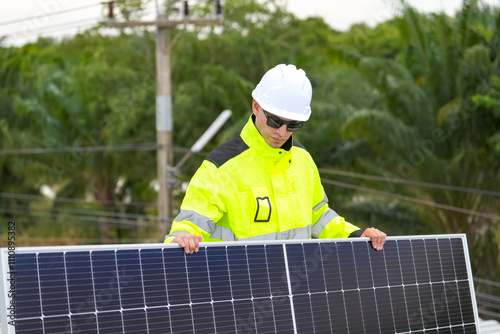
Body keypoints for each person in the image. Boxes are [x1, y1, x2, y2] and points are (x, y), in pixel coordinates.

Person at [165, 64, 386, 253]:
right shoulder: (221, 167)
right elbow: (188, 225)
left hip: (294, 289)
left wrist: (355, 235)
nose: (281, 131)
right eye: (275, 121)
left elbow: (319, 216)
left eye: (293, 125)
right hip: (236, 290)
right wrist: (182, 238)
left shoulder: (303, 161)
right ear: (256, 107)